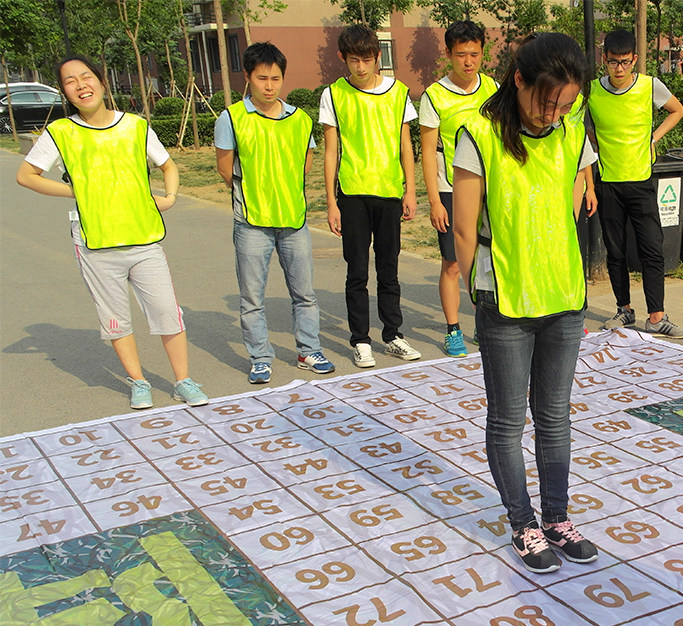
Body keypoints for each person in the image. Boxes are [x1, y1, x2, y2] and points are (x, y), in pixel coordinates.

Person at [453, 32, 599, 573]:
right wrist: (481, 291)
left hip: (563, 295)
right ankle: (523, 522)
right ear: (519, 80)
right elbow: (464, 230)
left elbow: (576, 201)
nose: (553, 113)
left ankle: (558, 517)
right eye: (546, 100)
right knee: (509, 420)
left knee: (555, 416)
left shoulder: (570, 131)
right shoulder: (479, 135)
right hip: (506, 299)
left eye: (565, 104)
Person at [16, 56, 208, 410]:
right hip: (95, 243)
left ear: (102, 82)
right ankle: (138, 382)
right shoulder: (61, 133)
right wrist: (78, 192)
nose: (81, 85)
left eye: (86, 77)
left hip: (144, 239)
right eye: (70, 81)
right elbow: (26, 176)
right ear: (65, 93)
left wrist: (169, 197)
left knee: (167, 312)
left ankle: (183, 381)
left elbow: (167, 165)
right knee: (115, 317)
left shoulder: (134, 126)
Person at [215, 41, 334, 385]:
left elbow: (306, 164)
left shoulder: (299, 119)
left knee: (305, 294)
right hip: (252, 223)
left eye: (276, 78)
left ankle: (308, 350)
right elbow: (226, 168)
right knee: (253, 297)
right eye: (262, 78)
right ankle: (260, 357)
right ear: (248, 78)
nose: (269, 85)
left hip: (294, 221)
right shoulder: (232, 118)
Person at [320, 24, 421, 368]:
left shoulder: (398, 93)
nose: (360, 67)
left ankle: (393, 335)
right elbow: (330, 151)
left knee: (389, 269)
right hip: (352, 194)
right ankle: (360, 339)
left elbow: (406, 145)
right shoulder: (333, 95)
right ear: (342, 59)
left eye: (366, 60)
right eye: (353, 60)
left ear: (378, 57)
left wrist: (411, 189)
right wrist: (331, 202)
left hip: (390, 192)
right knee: (357, 271)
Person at [588, 29, 683, 338]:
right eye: (612, 62)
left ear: (634, 60)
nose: (618, 69)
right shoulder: (591, 91)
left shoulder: (649, 86)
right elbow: (581, 128)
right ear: (604, 60)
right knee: (616, 251)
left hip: (641, 181)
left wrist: (653, 137)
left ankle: (656, 316)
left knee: (651, 249)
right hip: (608, 182)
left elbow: (677, 110)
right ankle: (624, 310)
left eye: (624, 62)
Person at [419, 20, 497, 357]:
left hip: (490, 187)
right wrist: (434, 201)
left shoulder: (493, 88)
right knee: (453, 262)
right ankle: (453, 329)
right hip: (451, 189)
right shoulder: (434, 96)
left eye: (475, 54)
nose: (468, 62)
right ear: (449, 54)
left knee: (489, 257)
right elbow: (427, 151)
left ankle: (486, 323)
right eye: (461, 55)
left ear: (483, 54)